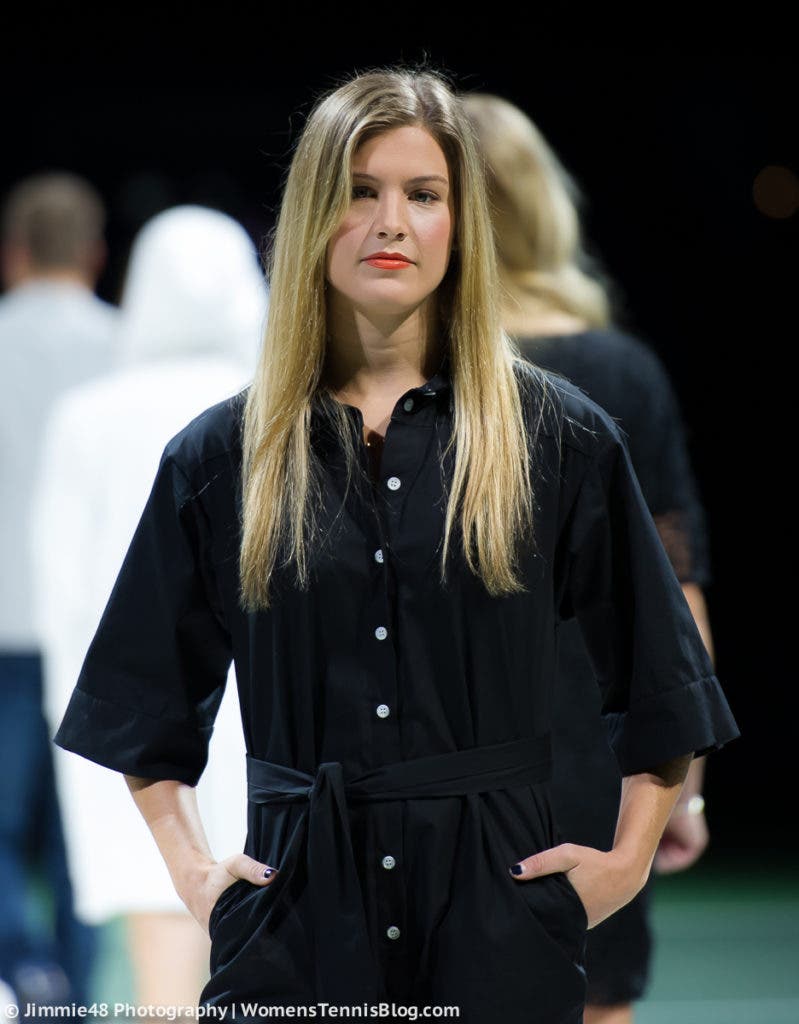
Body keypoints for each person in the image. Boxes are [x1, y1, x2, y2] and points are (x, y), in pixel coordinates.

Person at [54, 68, 739, 1024]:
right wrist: (194, 873)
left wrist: (624, 864)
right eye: (358, 192)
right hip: (293, 925)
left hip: (497, 922)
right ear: (310, 217)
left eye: (422, 195)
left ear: (461, 224)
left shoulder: (558, 439)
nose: (391, 223)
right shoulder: (222, 457)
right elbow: (141, 702)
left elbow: (663, 681)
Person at [462, 92, 718, 1022]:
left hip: (417, 759)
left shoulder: (389, 378)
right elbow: (671, 599)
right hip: (587, 761)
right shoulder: (617, 373)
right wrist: (681, 791)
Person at [32, 206, 267, 1006]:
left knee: (160, 910)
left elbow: (62, 585)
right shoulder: (279, 410)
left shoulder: (89, 416)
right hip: (269, 708)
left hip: (134, 709)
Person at [0, 172, 118, 1009]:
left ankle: (24, 971)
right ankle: (70, 992)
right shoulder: (126, 348)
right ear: (95, 255)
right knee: (86, 833)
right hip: (95, 632)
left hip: (3, 627)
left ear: (12, 254)